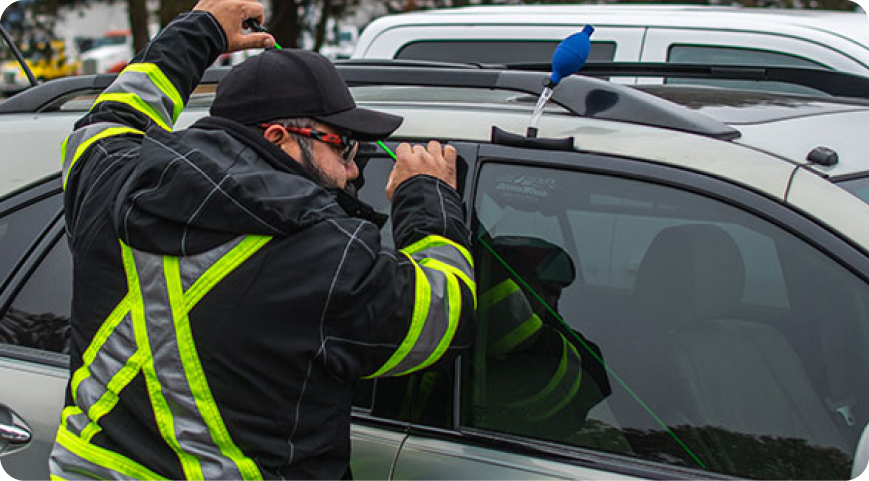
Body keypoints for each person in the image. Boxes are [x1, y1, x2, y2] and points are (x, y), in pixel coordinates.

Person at [49, 1, 476, 480]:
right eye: (344, 146)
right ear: (278, 137)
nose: (356, 169)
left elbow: (109, 119)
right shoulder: (326, 258)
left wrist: (202, 28)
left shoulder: (112, 183)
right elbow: (443, 316)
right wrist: (429, 197)